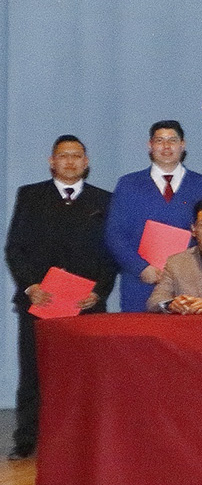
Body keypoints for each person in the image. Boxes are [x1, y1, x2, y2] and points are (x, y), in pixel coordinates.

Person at [4, 135, 117, 460]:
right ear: (51, 161)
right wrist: (30, 287)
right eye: (63, 156)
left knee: (85, 374)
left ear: (86, 162)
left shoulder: (103, 200)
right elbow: (15, 248)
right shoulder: (30, 196)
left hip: (87, 306)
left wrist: (99, 292)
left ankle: (85, 440)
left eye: (76, 156)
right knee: (34, 372)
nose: (70, 161)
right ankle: (26, 440)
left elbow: (111, 254)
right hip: (41, 302)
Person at [105, 120, 202, 312]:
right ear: (150, 146)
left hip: (189, 287)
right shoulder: (128, 185)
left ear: (183, 145)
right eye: (159, 141)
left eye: (172, 140)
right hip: (140, 285)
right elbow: (114, 235)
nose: (166, 146)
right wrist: (141, 268)